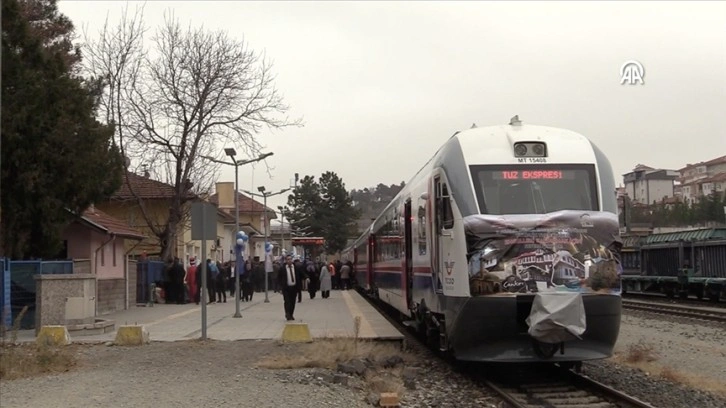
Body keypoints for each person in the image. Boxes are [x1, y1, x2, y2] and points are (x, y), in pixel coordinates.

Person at [278, 254, 301, 321]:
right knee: (287, 301)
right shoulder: (282, 268)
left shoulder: (295, 267)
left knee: (293, 302)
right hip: (286, 288)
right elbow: (279, 278)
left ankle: (291, 314)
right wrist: (280, 288)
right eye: (288, 259)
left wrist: (306, 277)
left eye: (290, 259)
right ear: (286, 260)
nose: (289, 261)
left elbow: (300, 274)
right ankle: (287, 314)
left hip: (294, 288)